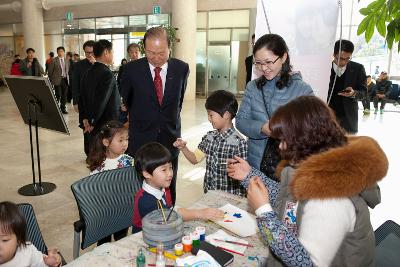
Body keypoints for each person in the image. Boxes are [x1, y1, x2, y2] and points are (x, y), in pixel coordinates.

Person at [227, 96, 388, 267]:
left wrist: (264, 212)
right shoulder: (314, 168)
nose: (280, 147)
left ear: (305, 139)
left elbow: (305, 263)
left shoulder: (331, 200)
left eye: (283, 140)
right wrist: (249, 176)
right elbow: (288, 200)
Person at [121, 26, 189, 204]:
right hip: (141, 139)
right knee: (140, 189)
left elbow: (178, 102)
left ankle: (169, 220)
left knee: (169, 186)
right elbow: (126, 102)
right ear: (144, 49)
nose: (157, 58)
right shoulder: (131, 70)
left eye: (162, 53)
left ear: (169, 48)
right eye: (151, 53)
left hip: (169, 138)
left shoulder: (181, 69)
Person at [235, 33, 314, 169]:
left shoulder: (302, 90)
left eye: (268, 62)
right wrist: (261, 128)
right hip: (256, 161)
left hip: (288, 164)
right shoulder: (253, 87)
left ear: (283, 57)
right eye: (258, 63)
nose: (263, 68)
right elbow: (240, 121)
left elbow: (313, 129)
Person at [132, 142, 224, 232]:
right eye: (164, 170)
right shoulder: (146, 201)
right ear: (147, 174)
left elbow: (172, 210)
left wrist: (200, 213)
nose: (170, 173)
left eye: (171, 167)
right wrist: (200, 213)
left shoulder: (164, 188)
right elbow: (169, 218)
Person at [173, 90, 247, 196]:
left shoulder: (239, 143)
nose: (209, 119)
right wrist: (183, 148)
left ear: (226, 115)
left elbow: (244, 177)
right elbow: (195, 159)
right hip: (209, 194)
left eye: (211, 115)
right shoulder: (209, 137)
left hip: (230, 198)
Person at [86, 121, 133, 244]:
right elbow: (93, 190)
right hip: (104, 213)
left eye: (127, 139)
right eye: (120, 140)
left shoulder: (129, 161)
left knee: (121, 241)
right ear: (106, 142)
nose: (125, 144)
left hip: (123, 210)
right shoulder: (99, 164)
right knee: (103, 244)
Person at [81, 39, 120, 152]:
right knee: (106, 153)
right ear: (106, 52)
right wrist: (92, 122)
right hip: (105, 122)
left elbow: (82, 98)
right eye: (112, 52)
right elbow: (101, 100)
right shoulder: (106, 74)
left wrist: (86, 119)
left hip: (91, 120)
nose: (113, 55)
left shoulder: (88, 72)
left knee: (96, 152)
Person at [0, 201, 62, 267]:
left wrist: (49, 263)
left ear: (19, 240)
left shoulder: (27, 251)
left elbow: (41, 263)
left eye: (5, 240)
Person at [327, 39, 367, 134]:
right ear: (334, 54)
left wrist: (354, 93)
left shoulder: (358, 68)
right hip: (327, 118)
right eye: (340, 58)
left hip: (348, 119)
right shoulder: (324, 67)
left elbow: (364, 93)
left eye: (347, 58)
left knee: (349, 147)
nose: (344, 62)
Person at [71, 40, 96, 156]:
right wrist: (75, 102)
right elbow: (74, 84)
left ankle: (100, 155)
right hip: (84, 103)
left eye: (92, 52)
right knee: (86, 129)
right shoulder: (79, 66)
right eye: (87, 53)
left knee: (98, 130)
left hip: (99, 102)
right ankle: (89, 155)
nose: (89, 55)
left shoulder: (101, 64)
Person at [48, 46, 69, 114]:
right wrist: (51, 80)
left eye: (62, 51)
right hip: (57, 80)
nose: (60, 53)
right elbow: (50, 71)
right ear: (57, 52)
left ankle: (63, 109)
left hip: (65, 80)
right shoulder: (54, 60)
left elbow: (68, 71)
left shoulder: (66, 60)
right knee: (58, 95)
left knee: (64, 95)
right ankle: (56, 109)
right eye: (59, 51)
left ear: (64, 52)